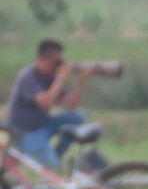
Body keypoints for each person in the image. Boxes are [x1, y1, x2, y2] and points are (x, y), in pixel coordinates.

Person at [5, 39, 94, 170]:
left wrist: (81, 80)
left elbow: (71, 105)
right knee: (54, 167)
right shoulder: (27, 76)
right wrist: (61, 77)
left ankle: (56, 155)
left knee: (77, 116)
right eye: (56, 62)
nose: (58, 66)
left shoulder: (52, 76)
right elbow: (45, 102)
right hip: (25, 133)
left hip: (43, 124)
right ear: (43, 59)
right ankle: (52, 162)